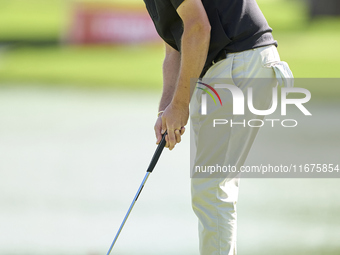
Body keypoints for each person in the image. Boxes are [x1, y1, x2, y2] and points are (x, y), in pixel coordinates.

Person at [143, 0, 293, 254]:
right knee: (212, 186)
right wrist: (167, 109)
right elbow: (174, 50)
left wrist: (180, 106)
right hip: (235, 66)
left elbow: (199, 28)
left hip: (238, 63)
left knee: (211, 188)